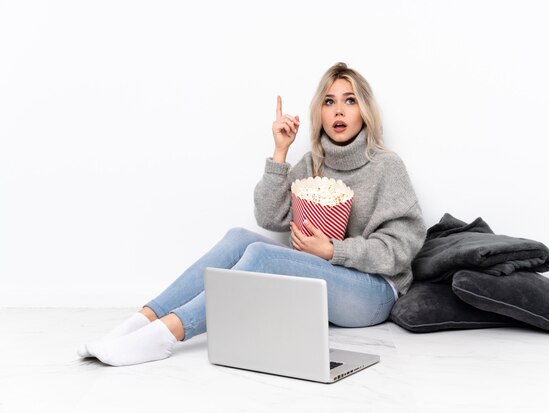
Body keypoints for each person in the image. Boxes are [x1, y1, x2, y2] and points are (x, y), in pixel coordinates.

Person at [78, 62, 426, 366]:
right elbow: (270, 216)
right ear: (318, 112)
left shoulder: (386, 166)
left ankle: (167, 334)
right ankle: (142, 320)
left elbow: (401, 248)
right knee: (238, 238)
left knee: (261, 254)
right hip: (328, 280)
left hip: (375, 292)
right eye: (329, 101)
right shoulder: (314, 164)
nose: (339, 111)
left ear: (364, 109)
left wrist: (334, 250)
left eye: (350, 101)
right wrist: (280, 152)